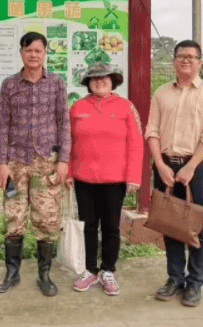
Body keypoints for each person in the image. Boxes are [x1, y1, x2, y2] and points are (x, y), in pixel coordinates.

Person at [145, 40, 203, 307]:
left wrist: (191, 166)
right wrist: (160, 164)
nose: (186, 61)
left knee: (196, 224)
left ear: (200, 62)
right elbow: (152, 131)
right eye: (181, 57)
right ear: (174, 61)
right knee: (171, 223)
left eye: (192, 57)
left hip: (196, 166)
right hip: (166, 164)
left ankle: (194, 283)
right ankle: (175, 278)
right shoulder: (161, 93)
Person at [0, 31, 70, 297]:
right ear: (21, 53)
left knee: (47, 220)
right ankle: (12, 274)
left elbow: (64, 123)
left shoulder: (57, 83)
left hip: (46, 163)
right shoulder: (9, 84)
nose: (33, 55)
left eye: (38, 50)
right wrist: (1, 163)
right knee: (13, 218)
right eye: (28, 50)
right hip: (15, 162)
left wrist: (63, 160)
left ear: (45, 52)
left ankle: (44, 275)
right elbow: (2, 126)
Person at [66, 62, 144, 296]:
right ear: (88, 83)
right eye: (94, 78)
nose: (99, 81)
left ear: (113, 81)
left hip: (115, 179)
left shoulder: (126, 107)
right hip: (84, 178)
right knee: (88, 226)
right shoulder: (78, 107)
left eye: (104, 78)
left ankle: (108, 270)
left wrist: (133, 177)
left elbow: (137, 144)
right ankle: (89, 270)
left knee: (111, 227)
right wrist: (69, 172)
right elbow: (67, 143)